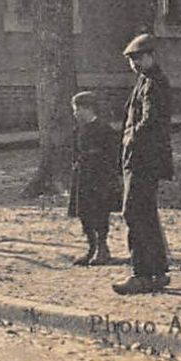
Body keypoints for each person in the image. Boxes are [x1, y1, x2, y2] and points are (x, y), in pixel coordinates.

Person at [114, 33, 174, 294]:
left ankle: (141, 274)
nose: (135, 63)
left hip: (143, 159)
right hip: (142, 158)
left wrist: (130, 138)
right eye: (131, 60)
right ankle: (157, 272)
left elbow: (150, 121)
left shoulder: (154, 83)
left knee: (134, 213)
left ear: (152, 56)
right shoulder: (145, 81)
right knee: (145, 214)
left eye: (139, 58)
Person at [67, 90, 120, 266]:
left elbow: (112, 155)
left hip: (99, 178)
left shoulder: (105, 129)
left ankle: (102, 248)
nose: (75, 113)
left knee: (100, 213)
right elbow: (75, 152)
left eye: (77, 109)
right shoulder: (78, 130)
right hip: (83, 177)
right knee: (84, 213)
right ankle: (91, 247)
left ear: (88, 109)